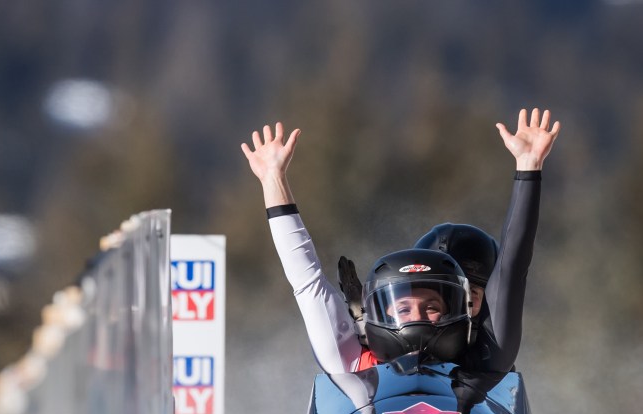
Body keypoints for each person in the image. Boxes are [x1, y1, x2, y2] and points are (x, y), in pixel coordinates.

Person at [240, 108, 561, 374]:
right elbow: (305, 280)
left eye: (434, 306)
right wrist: (273, 180)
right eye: (404, 306)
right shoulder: (353, 360)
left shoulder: (490, 354)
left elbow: (512, 268)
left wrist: (529, 167)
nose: (418, 316)